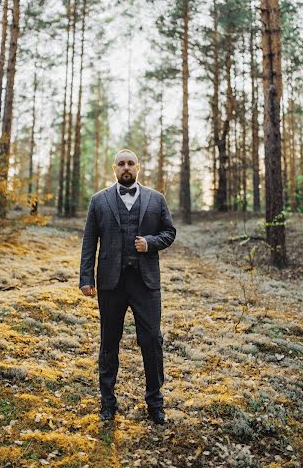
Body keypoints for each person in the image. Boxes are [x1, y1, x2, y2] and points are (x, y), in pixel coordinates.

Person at [79, 149, 176, 424]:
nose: (126, 168)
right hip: (110, 283)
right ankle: (107, 402)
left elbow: (169, 233)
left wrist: (150, 243)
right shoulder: (98, 201)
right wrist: (86, 278)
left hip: (146, 283)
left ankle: (155, 403)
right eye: (121, 164)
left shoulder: (156, 200)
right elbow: (89, 243)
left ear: (138, 167)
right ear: (114, 168)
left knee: (152, 342)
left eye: (130, 163)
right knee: (109, 342)